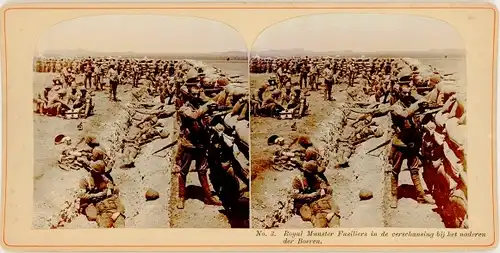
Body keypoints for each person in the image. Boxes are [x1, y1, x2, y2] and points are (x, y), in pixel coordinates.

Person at [389, 75, 435, 208]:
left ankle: (421, 196)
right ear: (399, 93)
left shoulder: (411, 101)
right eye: (404, 93)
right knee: (395, 170)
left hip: (411, 143)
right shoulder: (395, 106)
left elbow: (419, 104)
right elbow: (405, 114)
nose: (407, 94)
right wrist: (417, 105)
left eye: (409, 92)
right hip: (400, 143)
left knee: (414, 169)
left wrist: (423, 103)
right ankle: (394, 196)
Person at [175, 86, 222, 209]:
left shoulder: (200, 106)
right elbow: (193, 116)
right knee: (183, 172)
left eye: (197, 94)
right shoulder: (184, 108)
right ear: (189, 95)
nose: (196, 97)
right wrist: (205, 108)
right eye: (193, 95)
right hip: (189, 145)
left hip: (201, 144)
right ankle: (181, 197)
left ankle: (208, 196)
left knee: (202, 171)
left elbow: (205, 119)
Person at [291, 160, 340, 228]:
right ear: (307, 172)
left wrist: (323, 188)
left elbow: (323, 182)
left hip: (314, 199)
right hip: (303, 202)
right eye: (313, 173)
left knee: (329, 190)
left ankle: (324, 211)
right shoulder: (298, 180)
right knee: (307, 214)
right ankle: (315, 219)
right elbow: (294, 195)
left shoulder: (314, 177)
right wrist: (309, 196)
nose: (315, 175)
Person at [77, 160, 125, 228]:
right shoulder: (85, 180)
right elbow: (81, 195)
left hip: (102, 199)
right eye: (100, 173)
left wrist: (109, 189)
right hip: (90, 201)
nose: (102, 174)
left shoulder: (102, 177)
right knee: (93, 216)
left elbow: (110, 183)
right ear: (94, 172)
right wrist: (96, 195)